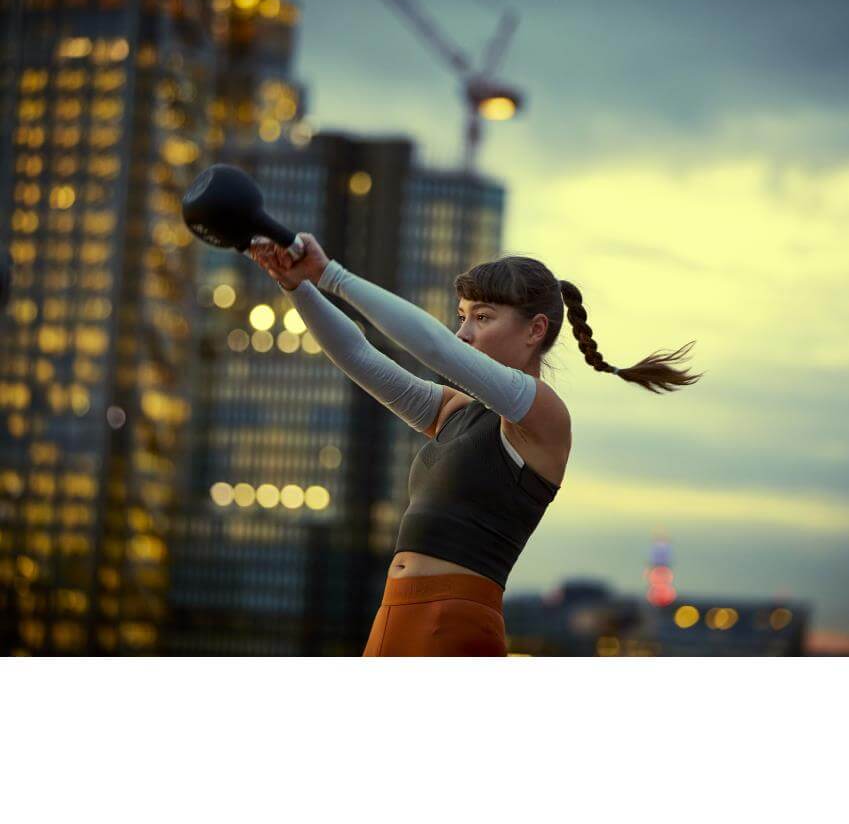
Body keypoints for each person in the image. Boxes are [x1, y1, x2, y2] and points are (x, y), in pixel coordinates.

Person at [246, 233, 703, 656]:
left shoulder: (544, 418)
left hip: (453, 621)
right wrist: (296, 286)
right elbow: (357, 355)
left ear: (534, 331)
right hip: (392, 616)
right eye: (462, 316)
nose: (464, 331)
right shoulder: (455, 411)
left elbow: (439, 350)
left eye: (482, 317)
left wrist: (330, 274)